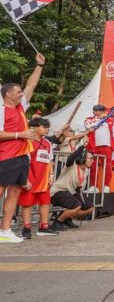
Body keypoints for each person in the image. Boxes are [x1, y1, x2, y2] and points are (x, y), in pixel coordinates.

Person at [0, 53, 45, 243]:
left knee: (15, 193)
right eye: (18, 92)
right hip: (6, 156)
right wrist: (20, 135)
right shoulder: (2, 110)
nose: (21, 94)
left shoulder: (20, 108)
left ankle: (5, 230)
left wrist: (39, 66)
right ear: (8, 94)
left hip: (21, 156)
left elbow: (31, 86)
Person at [19, 118, 58, 238]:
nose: (47, 129)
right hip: (30, 178)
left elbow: (50, 160)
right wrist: (24, 179)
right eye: (44, 126)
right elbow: (22, 162)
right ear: (35, 127)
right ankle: (26, 227)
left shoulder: (47, 143)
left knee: (45, 202)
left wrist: (51, 175)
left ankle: (44, 227)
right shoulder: (27, 141)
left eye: (47, 127)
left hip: (44, 179)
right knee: (27, 203)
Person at [50, 146, 95, 230]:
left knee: (90, 207)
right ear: (83, 157)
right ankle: (57, 223)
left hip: (71, 191)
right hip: (58, 191)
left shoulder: (86, 170)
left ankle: (67, 218)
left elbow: (78, 186)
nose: (93, 160)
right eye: (90, 158)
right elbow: (70, 158)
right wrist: (81, 148)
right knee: (76, 205)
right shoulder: (72, 165)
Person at [84, 104, 114, 193]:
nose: (95, 112)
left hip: (107, 146)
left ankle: (106, 186)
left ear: (102, 111)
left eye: (97, 111)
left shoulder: (110, 121)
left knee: (107, 166)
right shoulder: (89, 119)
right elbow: (88, 126)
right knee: (93, 166)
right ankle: (93, 186)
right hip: (94, 146)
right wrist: (99, 120)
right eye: (94, 111)